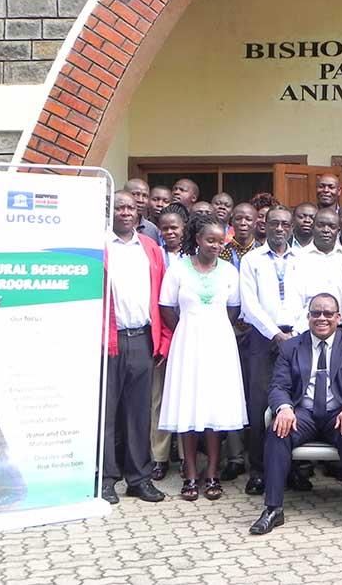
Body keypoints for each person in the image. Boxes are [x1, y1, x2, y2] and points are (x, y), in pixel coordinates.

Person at [250, 294, 342, 536]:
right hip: (302, 414)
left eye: (328, 313)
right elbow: (278, 386)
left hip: (338, 413)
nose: (322, 318)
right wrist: (284, 408)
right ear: (308, 317)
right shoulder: (290, 346)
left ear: (338, 318)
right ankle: (273, 508)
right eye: (316, 313)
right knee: (277, 431)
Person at [158, 214, 247, 502]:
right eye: (210, 240)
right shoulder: (178, 270)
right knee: (189, 406)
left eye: (220, 241)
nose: (215, 246)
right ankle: (190, 474)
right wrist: (189, 328)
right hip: (188, 344)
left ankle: (212, 473)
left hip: (220, 343)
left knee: (213, 408)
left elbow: (234, 309)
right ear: (197, 239)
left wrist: (213, 325)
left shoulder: (230, 272)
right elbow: (166, 308)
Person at [101, 191, 169, 505]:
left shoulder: (151, 249)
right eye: (120, 207)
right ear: (109, 210)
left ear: (137, 214)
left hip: (142, 338)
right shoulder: (98, 246)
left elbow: (163, 299)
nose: (126, 212)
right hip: (109, 339)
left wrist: (162, 340)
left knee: (139, 413)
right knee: (108, 411)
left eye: (130, 207)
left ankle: (138, 479)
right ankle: (105, 480)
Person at [239, 206, 306, 494]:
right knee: (259, 404)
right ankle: (258, 470)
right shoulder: (251, 260)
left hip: (299, 337)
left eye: (285, 224)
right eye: (274, 223)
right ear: (264, 226)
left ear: (292, 228)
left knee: (299, 401)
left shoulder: (303, 260)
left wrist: (295, 333)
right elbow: (249, 304)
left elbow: (312, 301)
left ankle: (294, 469)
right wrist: (276, 334)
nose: (280, 229)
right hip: (263, 338)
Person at [217, 202, 261, 481]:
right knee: (231, 391)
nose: (244, 223)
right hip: (228, 330)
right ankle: (234, 456)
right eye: (239, 218)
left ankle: (258, 453)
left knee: (256, 394)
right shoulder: (220, 251)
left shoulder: (263, 254)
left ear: (258, 222)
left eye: (249, 218)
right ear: (232, 221)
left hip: (258, 332)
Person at [150, 205, 186, 481]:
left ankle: (188, 458)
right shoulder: (154, 255)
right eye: (165, 228)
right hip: (164, 335)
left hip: (192, 337)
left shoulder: (195, 257)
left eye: (175, 227)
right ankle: (159, 457)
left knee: (187, 398)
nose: (170, 232)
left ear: (185, 229)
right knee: (159, 399)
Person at [292, 209, 342, 329]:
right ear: (313, 227)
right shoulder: (298, 257)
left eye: (332, 226)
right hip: (307, 327)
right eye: (321, 225)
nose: (326, 230)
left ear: (338, 230)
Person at [124, 179, 162, 244]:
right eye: (136, 194)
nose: (141, 200)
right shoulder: (112, 226)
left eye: (145, 196)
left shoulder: (151, 229)